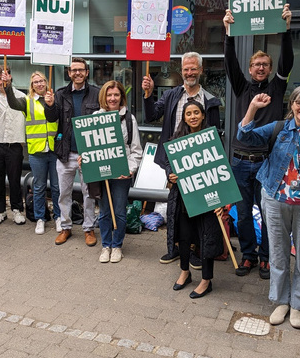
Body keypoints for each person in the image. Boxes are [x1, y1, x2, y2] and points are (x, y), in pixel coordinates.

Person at [237, 85, 300, 329]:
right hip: (275, 200)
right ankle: (281, 301)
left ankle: (298, 305)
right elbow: (244, 136)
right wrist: (253, 108)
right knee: (278, 255)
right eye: (299, 102)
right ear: (292, 105)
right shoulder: (279, 129)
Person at [223, 4, 293, 279]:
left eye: (265, 64)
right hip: (240, 161)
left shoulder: (277, 87)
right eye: (256, 65)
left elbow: (287, 62)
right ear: (250, 69)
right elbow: (230, 63)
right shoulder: (242, 87)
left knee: (267, 213)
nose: (261, 67)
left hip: (267, 161)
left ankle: (266, 258)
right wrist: (228, 34)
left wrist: (286, 30)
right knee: (242, 213)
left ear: (270, 69)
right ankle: (249, 255)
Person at [142, 52, 222, 265]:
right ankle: (176, 248)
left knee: (197, 206)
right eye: (186, 69)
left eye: (193, 68)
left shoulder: (210, 100)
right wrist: (148, 95)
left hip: (199, 161)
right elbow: (150, 116)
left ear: (200, 70)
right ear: (181, 71)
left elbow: (214, 135)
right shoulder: (171, 95)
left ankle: (195, 250)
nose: (189, 72)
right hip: (173, 160)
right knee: (175, 206)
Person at [167, 100, 225, 298]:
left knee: (205, 237)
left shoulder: (212, 138)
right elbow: (168, 163)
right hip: (184, 197)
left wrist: (222, 200)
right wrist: (170, 174)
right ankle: (185, 272)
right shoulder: (177, 140)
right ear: (184, 118)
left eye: (196, 113)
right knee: (184, 237)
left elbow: (222, 168)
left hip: (207, 197)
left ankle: (206, 280)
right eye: (189, 113)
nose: (193, 116)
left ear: (203, 115)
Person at [46, 58, 101, 246]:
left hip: (88, 154)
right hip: (65, 152)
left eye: (81, 70)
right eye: (74, 70)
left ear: (87, 72)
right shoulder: (60, 94)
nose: (77, 73)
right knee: (64, 193)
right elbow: (52, 118)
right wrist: (50, 105)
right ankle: (66, 227)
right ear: (69, 73)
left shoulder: (97, 93)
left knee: (89, 193)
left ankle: (88, 228)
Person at [91, 81, 143, 263]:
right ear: (103, 97)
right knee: (104, 211)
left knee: (119, 212)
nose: (112, 98)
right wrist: (85, 160)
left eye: (116, 95)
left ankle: (117, 246)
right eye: (109, 95)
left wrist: (130, 169)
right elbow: (89, 147)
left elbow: (136, 150)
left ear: (122, 97)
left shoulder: (129, 119)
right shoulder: (95, 117)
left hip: (122, 174)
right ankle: (106, 245)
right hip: (102, 173)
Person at [4, 70, 61, 235]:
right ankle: (40, 218)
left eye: (42, 80)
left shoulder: (54, 98)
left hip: (54, 149)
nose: (39, 84)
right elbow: (13, 103)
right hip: (37, 150)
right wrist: (8, 86)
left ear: (46, 82)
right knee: (39, 187)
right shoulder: (27, 101)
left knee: (57, 187)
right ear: (32, 85)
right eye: (36, 82)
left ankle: (58, 217)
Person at [0, 64, 26, 226]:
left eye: (1, 79)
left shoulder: (21, 96)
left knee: (15, 179)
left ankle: (17, 210)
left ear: (9, 77)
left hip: (14, 143)